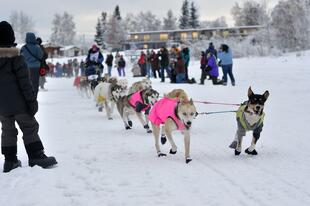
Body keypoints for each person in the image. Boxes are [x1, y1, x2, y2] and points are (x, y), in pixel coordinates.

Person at [0, 21, 57, 173]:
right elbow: (25, 84)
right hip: (19, 104)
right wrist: (32, 102)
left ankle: (10, 160)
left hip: (2, 106)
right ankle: (36, 155)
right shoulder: (16, 58)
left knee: (7, 130)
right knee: (29, 127)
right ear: (11, 38)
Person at [20, 32, 43, 98]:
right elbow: (41, 56)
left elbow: (21, 57)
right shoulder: (37, 47)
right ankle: (34, 96)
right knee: (35, 83)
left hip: (26, 67)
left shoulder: (23, 48)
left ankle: (27, 96)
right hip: (36, 67)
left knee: (27, 82)